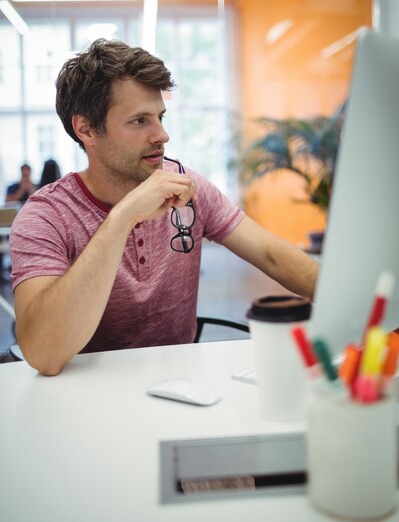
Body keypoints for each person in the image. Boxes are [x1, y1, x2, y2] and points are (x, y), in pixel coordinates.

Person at [9, 39, 318, 376]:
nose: (162, 135)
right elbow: (42, 352)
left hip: (179, 386)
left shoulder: (186, 185)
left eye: (160, 117)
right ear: (86, 129)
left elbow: (272, 255)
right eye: (140, 121)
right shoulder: (45, 216)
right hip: (83, 397)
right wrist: (124, 216)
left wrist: (364, 309)